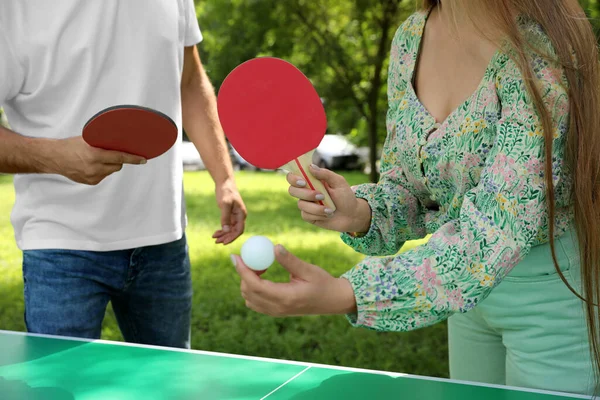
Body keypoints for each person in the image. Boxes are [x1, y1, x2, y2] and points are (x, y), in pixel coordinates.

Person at [232, 0, 600, 395]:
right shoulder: (411, 37)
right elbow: (414, 192)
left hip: (552, 297)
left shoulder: (541, 48)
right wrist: (359, 211)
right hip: (463, 303)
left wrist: (347, 294)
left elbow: (495, 234)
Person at [0, 0, 247, 348]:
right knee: (58, 389)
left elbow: (190, 81)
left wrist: (225, 179)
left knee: (167, 387)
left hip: (164, 241)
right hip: (61, 245)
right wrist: (54, 157)